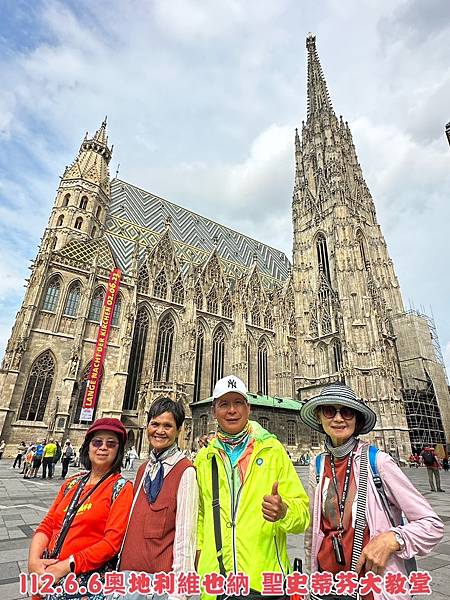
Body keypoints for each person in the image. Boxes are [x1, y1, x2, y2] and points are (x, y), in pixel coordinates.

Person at [300, 382, 444, 600]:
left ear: (356, 420)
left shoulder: (378, 462)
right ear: (319, 417)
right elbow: (313, 531)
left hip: (372, 589)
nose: (338, 419)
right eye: (329, 411)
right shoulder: (318, 465)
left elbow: (432, 525)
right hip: (327, 587)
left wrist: (392, 539)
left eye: (347, 412)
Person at [195, 375, 309, 600]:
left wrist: (284, 512)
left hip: (265, 585)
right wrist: (199, 556)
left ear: (249, 408)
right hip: (216, 585)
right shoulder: (204, 458)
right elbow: (200, 515)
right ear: (213, 410)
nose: (232, 410)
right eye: (224, 404)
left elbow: (303, 515)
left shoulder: (272, 451)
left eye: (238, 403)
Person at [28, 417, 133, 600]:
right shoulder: (72, 483)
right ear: (88, 446)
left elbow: (111, 543)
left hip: (82, 585)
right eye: (97, 442)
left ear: (119, 451)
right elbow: (48, 524)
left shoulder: (121, 488)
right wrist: (34, 561)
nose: (103, 447)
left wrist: (63, 567)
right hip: (47, 579)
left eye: (111, 444)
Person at [118, 398, 198, 600]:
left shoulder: (185, 470)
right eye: (155, 424)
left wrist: (179, 594)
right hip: (126, 578)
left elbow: (185, 536)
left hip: (158, 586)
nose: (160, 431)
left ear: (179, 430)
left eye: (168, 426)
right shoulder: (143, 469)